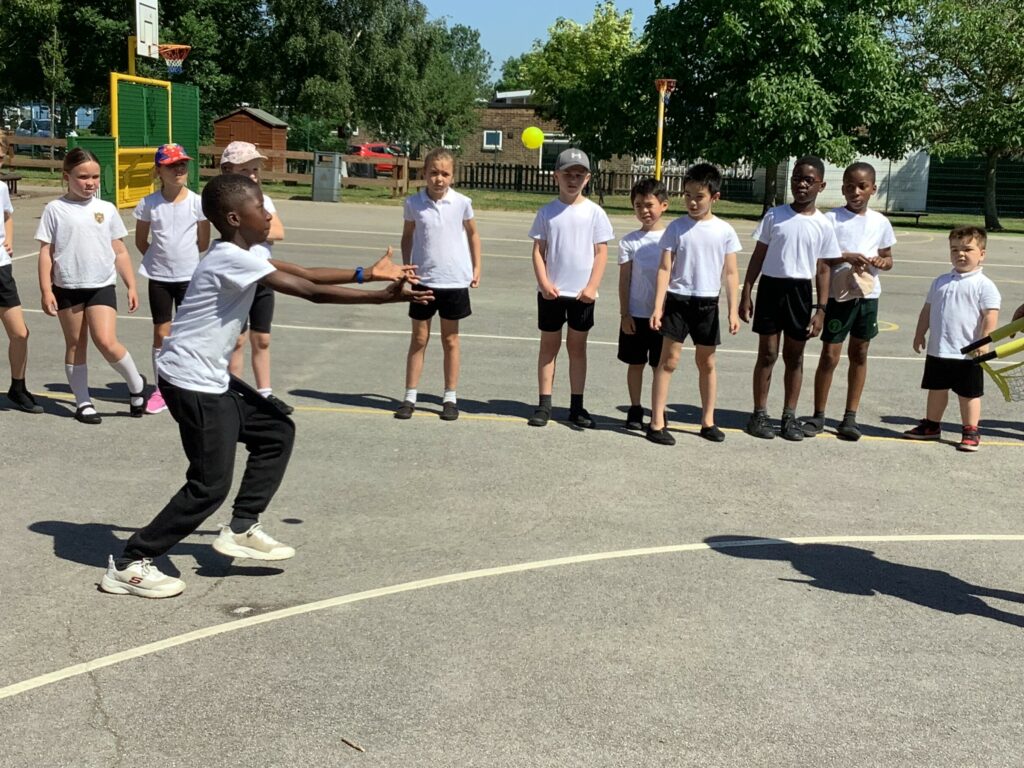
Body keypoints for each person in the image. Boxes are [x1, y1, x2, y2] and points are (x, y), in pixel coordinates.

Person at [100, 173, 431, 598]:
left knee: (275, 430)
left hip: (207, 377)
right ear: (236, 217)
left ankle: (241, 527)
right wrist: (382, 297)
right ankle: (130, 562)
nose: (270, 212)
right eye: (262, 206)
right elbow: (309, 291)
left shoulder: (240, 251)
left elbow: (302, 270)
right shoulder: (228, 259)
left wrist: (366, 273)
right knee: (208, 486)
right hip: (191, 381)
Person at [36, 148, 149, 424]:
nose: (90, 183)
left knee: (107, 341)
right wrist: (46, 290)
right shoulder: (55, 209)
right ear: (67, 176)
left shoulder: (106, 209)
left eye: (95, 177)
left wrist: (131, 285)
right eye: (83, 177)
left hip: (100, 285)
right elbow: (46, 252)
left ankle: (136, 386)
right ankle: (83, 403)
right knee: (76, 343)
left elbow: (120, 250)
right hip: (67, 287)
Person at [739, 156, 840, 441]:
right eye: (797, 178)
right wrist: (747, 291)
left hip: (799, 292)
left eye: (809, 180)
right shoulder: (775, 215)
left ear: (821, 185)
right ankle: (759, 414)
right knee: (768, 353)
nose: (802, 184)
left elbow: (823, 268)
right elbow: (758, 256)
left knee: (794, 357)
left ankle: (789, 416)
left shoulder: (823, 224)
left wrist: (821, 309)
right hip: (771, 288)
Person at [648, 163, 742, 445]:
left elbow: (731, 272)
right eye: (687, 195)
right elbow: (665, 269)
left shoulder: (724, 231)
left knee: (707, 362)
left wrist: (732, 310)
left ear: (714, 197)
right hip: (678, 301)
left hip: (707, 304)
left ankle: (708, 421)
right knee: (669, 361)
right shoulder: (676, 228)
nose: (691, 201)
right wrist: (657, 306)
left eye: (699, 196)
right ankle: (656, 422)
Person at [802, 162, 896, 441]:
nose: (855, 191)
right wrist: (847, 256)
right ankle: (818, 415)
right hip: (838, 296)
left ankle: (850, 417)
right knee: (830, 355)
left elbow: (888, 258)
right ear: (842, 188)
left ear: (873, 189)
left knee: (860, 353)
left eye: (862, 186)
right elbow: (822, 259)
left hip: (867, 296)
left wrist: (882, 261)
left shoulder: (880, 222)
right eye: (849, 186)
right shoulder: (831, 219)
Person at [394, 147, 481, 422]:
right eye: (433, 173)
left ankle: (450, 397)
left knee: (450, 340)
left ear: (452, 176)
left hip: (454, 280)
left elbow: (473, 234)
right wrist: (406, 267)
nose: (439, 179)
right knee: (419, 339)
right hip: (423, 280)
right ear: (424, 174)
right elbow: (407, 236)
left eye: (444, 174)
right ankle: (410, 396)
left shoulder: (462, 203)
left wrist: (476, 267)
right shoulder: (414, 203)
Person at [528, 148, 613, 428]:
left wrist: (592, 287)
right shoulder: (547, 212)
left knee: (577, 349)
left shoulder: (595, 213)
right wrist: (543, 282)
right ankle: (544, 403)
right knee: (548, 347)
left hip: (582, 295)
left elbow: (601, 253)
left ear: (587, 179)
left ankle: (577, 405)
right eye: (567, 174)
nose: (573, 179)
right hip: (552, 293)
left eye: (579, 175)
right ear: (556, 177)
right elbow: (539, 251)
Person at [904, 226, 999, 452]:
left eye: (967, 249)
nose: (960, 254)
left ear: (982, 254)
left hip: (968, 353)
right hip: (939, 349)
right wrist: (920, 333)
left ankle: (970, 430)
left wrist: (983, 342)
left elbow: (990, 315)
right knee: (936, 389)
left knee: (969, 393)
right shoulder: (940, 281)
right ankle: (931, 425)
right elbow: (927, 310)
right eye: (954, 249)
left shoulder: (984, 285)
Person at [133, 143, 211, 415]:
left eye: (182, 164)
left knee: (190, 332)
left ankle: (192, 383)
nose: (179, 169)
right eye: (171, 165)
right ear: (159, 171)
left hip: (189, 276)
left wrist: (182, 259)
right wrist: (160, 260)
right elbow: (141, 241)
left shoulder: (198, 202)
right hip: (160, 277)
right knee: (161, 333)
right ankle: (161, 389)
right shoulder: (149, 204)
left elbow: (203, 242)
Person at [220, 141, 292, 413]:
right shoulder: (221, 201)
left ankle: (265, 393)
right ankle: (233, 391)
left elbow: (278, 231)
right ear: (228, 170)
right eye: (245, 169)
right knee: (236, 339)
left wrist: (252, 227)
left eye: (255, 169)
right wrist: (258, 226)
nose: (252, 174)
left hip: (263, 274)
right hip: (236, 279)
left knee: (262, 338)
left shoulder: (264, 200)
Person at [617, 178, 669, 431]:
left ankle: (658, 410)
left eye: (649, 205)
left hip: (664, 316)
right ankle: (635, 407)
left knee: (661, 366)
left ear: (664, 205)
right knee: (635, 363)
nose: (644, 211)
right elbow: (624, 279)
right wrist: (624, 313)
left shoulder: (672, 238)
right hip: (636, 314)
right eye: (638, 206)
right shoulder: (629, 242)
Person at [0, 135, 42, 414]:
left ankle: (18, 387)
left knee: (20, 333)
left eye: (1, 157)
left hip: (1, 268)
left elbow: (7, 216)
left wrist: (10, 240)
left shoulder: (2, 187)